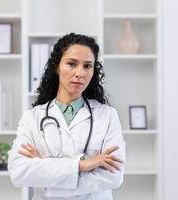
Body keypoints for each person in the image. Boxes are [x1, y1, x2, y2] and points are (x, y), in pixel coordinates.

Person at [8, 33, 126, 200]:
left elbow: (114, 176)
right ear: (57, 66)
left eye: (87, 66)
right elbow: (18, 172)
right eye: (72, 64)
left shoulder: (107, 116)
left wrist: (47, 176)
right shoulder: (32, 118)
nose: (80, 73)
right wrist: (82, 165)